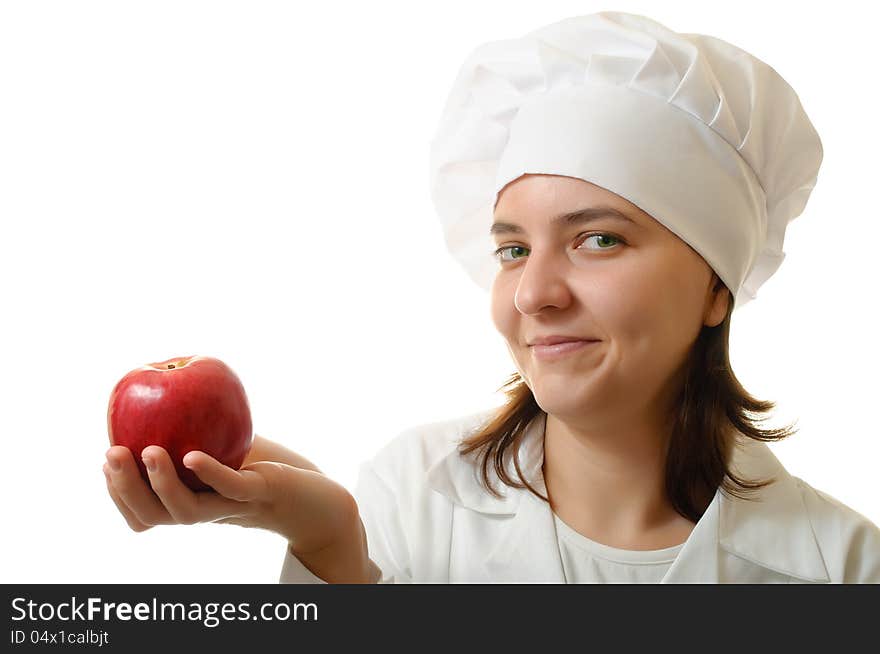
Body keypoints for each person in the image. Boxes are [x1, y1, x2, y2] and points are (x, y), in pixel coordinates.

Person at [103, 11, 880, 583]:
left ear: (716, 285)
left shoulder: (842, 568)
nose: (534, 293)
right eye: (512, 249)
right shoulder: (404, 502)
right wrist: (334, 550)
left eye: (597, 239)